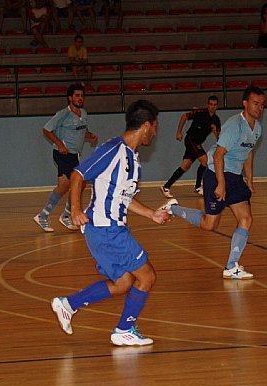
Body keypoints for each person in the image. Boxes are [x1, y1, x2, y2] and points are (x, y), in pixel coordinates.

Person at [50, 99, 173, 346]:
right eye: (155, 127)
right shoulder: (113, 149)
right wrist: (74, 208)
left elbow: (124, 198)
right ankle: (123, 330)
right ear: (147, 125)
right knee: (147, 276)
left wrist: (152, 214)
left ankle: (68, 305)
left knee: (123, 282)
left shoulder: (133, 159)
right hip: (107, 229)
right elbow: (78, 174)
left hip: (109, 229)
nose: (156, 133)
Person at [168, 86, 266, 280]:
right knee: (209, 224)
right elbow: (219, 155)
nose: (259, 108)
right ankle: (174, 208)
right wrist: (220, 184)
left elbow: (248, 154)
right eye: (256, 104)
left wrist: (250, 179)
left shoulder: (257, 129)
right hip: (216, 173)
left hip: (235, 178)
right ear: (245, 103)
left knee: (246, 219)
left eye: (262, 105)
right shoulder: (234, 124)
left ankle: (231, 266)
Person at [34, 83, 98, 232]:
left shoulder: (83, 113)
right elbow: (47, 130)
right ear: (70, 98)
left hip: (74, 155)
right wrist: (60, 145)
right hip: (62, 154)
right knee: (78, 183)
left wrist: (90, 136)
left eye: (82, 96)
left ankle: (45, 215)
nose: (80, 98)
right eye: (77, 95)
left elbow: (82, 130)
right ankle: (64, 215)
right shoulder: (63, 114)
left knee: (66, 186)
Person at [160, 96, 221, 198]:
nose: (212, 107)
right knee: (205, 161)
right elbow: (184, 116)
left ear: (217, 106)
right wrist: (179, 132)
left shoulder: (216, 120)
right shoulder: (200, 112)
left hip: (197, 143)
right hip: (191, 140)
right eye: (210, 104)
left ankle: (166, 187)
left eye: (214, 105)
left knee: (184, 166)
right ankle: (198, 187)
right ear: (207, 105)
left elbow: (219, 136)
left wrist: (215, 131)